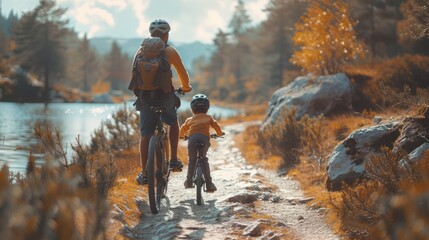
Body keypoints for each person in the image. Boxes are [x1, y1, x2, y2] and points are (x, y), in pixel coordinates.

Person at [131, 19, 192, 185]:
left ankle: (144, 173)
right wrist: (186, 87)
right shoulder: (170, 51)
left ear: (151, 34)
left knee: (145, 134)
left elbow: (134, 74)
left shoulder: (140, 50)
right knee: (172, 122)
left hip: (145, 98)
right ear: (167, 35)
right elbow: (182, 72)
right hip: (165, 96)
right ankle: (173, 159)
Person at [179, 94, 224, 192]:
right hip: (204, 139)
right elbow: (216, 125)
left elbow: (182, 128)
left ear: (192, 109)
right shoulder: (209, 118)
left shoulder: (189, 120)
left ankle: (189, 181)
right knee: (203, 159)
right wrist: (219, 134)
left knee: (192, 160)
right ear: (207, 108)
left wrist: (182, 136)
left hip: (192, 139)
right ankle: (209, 183)